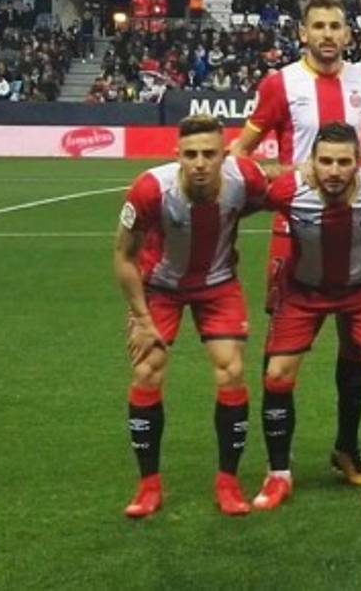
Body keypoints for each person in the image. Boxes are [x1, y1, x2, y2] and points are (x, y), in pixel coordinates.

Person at [231, 0, 361, 489]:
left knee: (358, 349)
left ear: (348, 33)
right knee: (281, 354)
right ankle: (278, 465)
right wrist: (294, 173)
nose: (328, 35)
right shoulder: (280, 83)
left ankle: (348, 449)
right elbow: (242, 157)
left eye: (336, 26)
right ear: (302, 33)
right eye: (319, 26)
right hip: (293, 235)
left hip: (354, 235)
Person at [114, 114, 268, 518]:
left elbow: (268, 196)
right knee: (147, 371)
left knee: (231, 372)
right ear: (176, 155)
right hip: (160, 287)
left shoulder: (244, 178)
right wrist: (142, 319)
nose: (200, 163)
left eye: (209, 154)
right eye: (191, 154)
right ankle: (148, 486)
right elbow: (123, 256)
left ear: (225, 153)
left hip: (218, 284)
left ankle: (228, 482)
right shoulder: (150, 189)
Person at [251, 123, 361, 512]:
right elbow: (240, 184)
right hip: (304, 291)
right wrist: (284, 171)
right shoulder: (290, 191)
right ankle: (278, 474)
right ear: (312, 162)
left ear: (359, 163)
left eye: (343, 162)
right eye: (325, 162)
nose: (333, 171)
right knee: (277, 375)